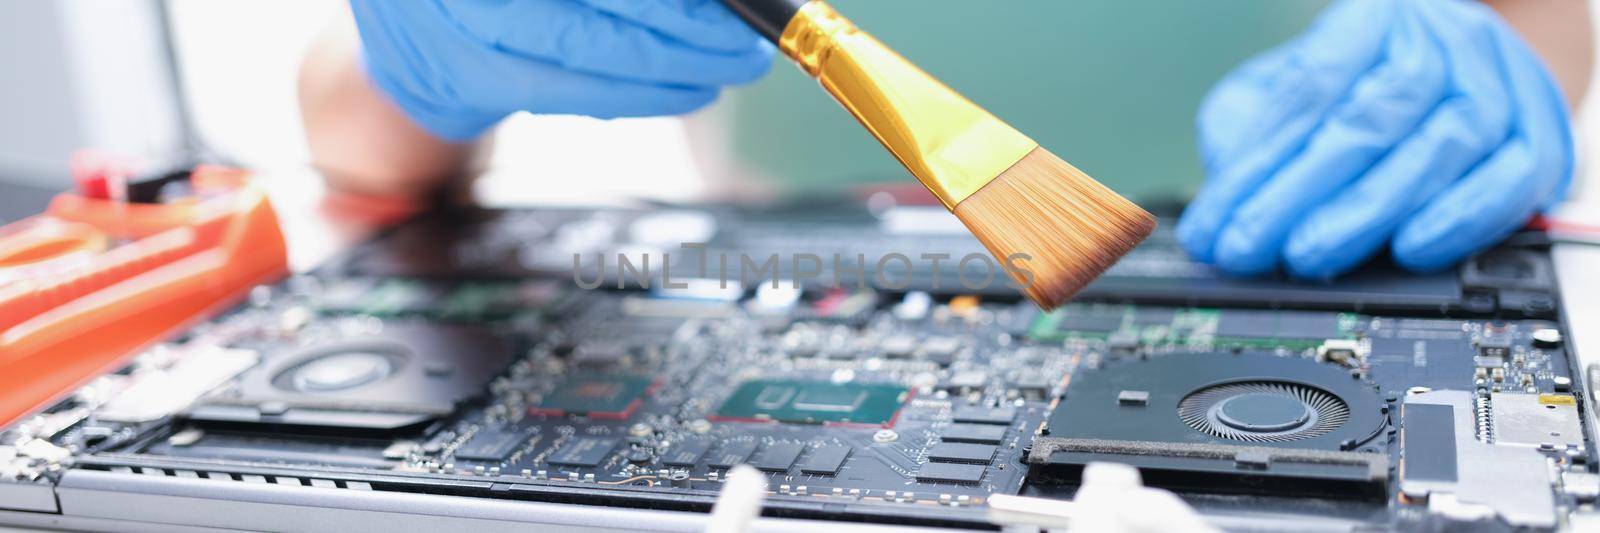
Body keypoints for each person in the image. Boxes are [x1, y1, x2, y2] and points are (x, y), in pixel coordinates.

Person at [300, 0, 1593, 279]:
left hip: (1314, 250)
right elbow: (359, 139)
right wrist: (424, 51)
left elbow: (1545, 25)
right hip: (791, 271)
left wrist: (1490, 68)